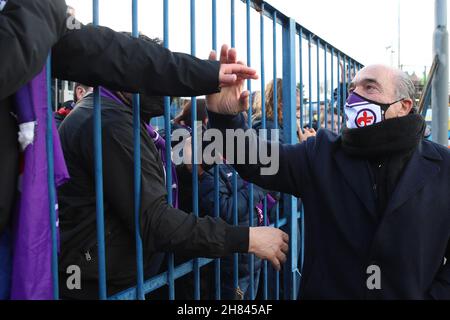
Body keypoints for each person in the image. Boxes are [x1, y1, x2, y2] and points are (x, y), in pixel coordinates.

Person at [205, 45, 450, 300]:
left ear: (403, 106)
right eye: (353, 88)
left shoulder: (443, 166)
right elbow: (253, 159)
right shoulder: (320, 154)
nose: (355, 95)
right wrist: (224, 118)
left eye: (370, 87)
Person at [57, 38, 288, 299]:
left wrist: (222, 119)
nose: (166, 85)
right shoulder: (108, 122)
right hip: (99, 288)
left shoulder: (129, 118)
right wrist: (247, 239)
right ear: (122, 72)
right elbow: (157, 220)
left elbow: (173, 173)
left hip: (126, 279)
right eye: (156, 74)